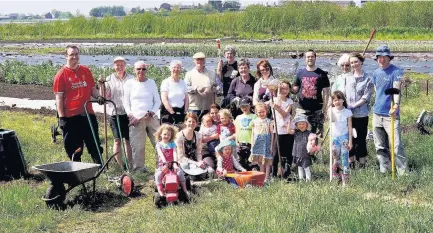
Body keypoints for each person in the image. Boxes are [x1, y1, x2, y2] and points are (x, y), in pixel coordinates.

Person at [53, 45, 104, 164]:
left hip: (87, 114)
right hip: (71, 117)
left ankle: (99, 168)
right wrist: (62, 118)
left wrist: (99, 96)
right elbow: (59, 98)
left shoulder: (85, 71)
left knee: (94, 143)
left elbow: (92, 89)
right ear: (66, 56)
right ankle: (76, 172)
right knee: (74, 148)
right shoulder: (61, 75)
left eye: (76, 54)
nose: (74, 57)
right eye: (71, 55)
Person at [371, 45, 406, 175]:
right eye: (379, 57)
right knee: (380, 145)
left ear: (389, 57)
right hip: (377, 113)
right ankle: (384, 170)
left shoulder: (396, 72)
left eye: (384, 57)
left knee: (396, 146)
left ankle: (403, 173)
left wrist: (396, 105)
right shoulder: (375, 73)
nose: (382, 59)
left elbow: (396, 90)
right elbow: (377, 91)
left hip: (390, 114)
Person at [123, 61, 161, 172]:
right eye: (138, 69)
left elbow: (157, 101)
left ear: (146, 70)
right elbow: (126, 103)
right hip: (136, 119)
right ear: (134, 70)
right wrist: (131, 116)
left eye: (143, 69)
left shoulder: (151, 83)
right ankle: (139, 170)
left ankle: (161, 167)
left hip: (151, 118)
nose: (141, 71)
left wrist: (152, 112)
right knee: (138, 146)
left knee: (159, 143)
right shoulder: (129, 83)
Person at [100, 56, 134, 169]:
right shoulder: (109, 79)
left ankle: (130, 165)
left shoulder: (131, 78)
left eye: (121, 65)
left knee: (128, 140)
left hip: (128, 113)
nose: (119, 67)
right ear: (114, 66)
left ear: (125, 66)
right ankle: (120, 165)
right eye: (117, 65)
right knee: (117, 140)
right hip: (114, 112)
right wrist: (101, 86)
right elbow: (105, 96)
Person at [292, 49, 330, 137]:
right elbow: (295, 90)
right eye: (308, 57)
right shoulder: (300, 73)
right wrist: (287, 87)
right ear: (305, 58)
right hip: (302, 109)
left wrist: (324, 109)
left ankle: (314, 151)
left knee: (315, 136)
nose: (310, 58)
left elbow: (326, 92)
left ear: (315, 58)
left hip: (317, 109)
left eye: (312, 56)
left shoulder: (322, 74)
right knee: (301, 134)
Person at [345, 52, 374, 169]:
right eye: (352, 62)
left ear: (361, 62)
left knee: (361, 139)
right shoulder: (348, 77)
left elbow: (366, 97)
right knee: (349, 138)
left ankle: (362, 163)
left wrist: (354, 105)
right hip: (349, 115)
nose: (354, 64)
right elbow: (343, 93)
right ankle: (351, 162)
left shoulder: (368, 79)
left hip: (361, 114)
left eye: (356, 61)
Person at [154, 124, 189, 198]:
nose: (166, 136)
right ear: (160, 134)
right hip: (162, 164)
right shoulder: (159, 145)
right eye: (165, 134)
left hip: (173, 164)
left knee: (180, 173)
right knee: (158, 175)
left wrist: (175, 163)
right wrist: (165, 163)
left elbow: (174, 153)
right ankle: (160, 190)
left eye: (168, 135)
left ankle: (184, 189)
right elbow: (161, 154)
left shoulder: (172, 144)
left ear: (171, 136)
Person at [184, 52, 221, 120]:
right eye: (197, 60)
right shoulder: (189, 74)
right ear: (194, 61)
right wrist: (196, 88)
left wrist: (214, 90)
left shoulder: (212, 73)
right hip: (194, 107)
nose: (200, 62)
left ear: (205, 61)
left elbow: (220, 85)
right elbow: (185, 88)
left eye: (202, 60)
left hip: (209, 107)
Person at [270, 80, 294, 179]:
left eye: (286, 88)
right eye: (282, 88)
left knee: (288, 152)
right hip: (278, 131)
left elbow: (285, 114)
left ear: (289, 90)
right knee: (276, 153)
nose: (284, 90)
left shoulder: (290, 101)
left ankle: (287, 172)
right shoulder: (274, 100)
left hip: (288, 130)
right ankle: (273, 173)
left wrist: (278, 108)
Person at [329, 91, 353, 186]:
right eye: (335, 100)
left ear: (343, 100)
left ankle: (345, 181)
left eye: (339, 99)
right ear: (333, 101)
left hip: (345, 138)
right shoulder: (331, 110)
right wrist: (329, 109)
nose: (337, 102)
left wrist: (350, 141)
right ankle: (336, 178)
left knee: (344, 158)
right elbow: (332, 120)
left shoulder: (348, 112)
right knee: (336, 158)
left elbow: (350, 128)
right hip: (334, 139)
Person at [250, 103, 274, 182]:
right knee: (260, 161)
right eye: (259, 112)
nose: (261, 114)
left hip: (266, 144)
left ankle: (267, 178)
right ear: (256, 112)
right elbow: (253, 133)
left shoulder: (269, 121)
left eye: (263, 112)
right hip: (257, 143)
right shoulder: (254, 121)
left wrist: (271, 145)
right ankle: (261, 176)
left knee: (267, 161)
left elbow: (272, 134)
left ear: (266, 111)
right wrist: (252, 144)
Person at [160, 60, 189, 125]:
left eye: (178, 68)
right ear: (170, 69)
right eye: (174, 67)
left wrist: (185, 111)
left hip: (181, 111)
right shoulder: (165, 82)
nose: (176, 69)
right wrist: (172, 113)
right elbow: (164, 99)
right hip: (168, 112)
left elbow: (186, 98)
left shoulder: (183, 82)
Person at [288, 114, 313, 181]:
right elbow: (289, 131)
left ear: (306, 125)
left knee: (306, 167)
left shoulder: (309, 133)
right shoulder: (296, 132)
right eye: (299, 124)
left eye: (303, 124)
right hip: (297, 153)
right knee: (299, 167)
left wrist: (312, 149)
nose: (301, 125)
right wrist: (289, 123)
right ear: (297, 126)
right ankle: (301, 180)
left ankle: (308, 180)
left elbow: (313, 142)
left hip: (305, 154)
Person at [234, 97, 257, 170]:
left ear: (250, 105)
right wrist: (236, 141)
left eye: (246, 106)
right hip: (241, 143)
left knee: (252, 161)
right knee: (241, 161)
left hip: (251, 143)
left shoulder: (254, 116)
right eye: (242, 106)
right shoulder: (238, 117)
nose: (244, 108)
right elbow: (237, 130)